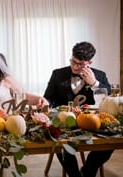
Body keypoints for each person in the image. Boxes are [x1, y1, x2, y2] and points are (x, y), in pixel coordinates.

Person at [43, 42, 112, 177]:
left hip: (91, 123)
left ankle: (88, 171)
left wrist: (94, 83)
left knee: (111, 142)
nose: (75, 66)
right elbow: (48, 98)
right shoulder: (58, 74)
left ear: (89, 62)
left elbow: (108, 99)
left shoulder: (100, 76)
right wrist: (44, 103)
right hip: (64, 124)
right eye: (73, 61)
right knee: (59, 141)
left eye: (80, 64)